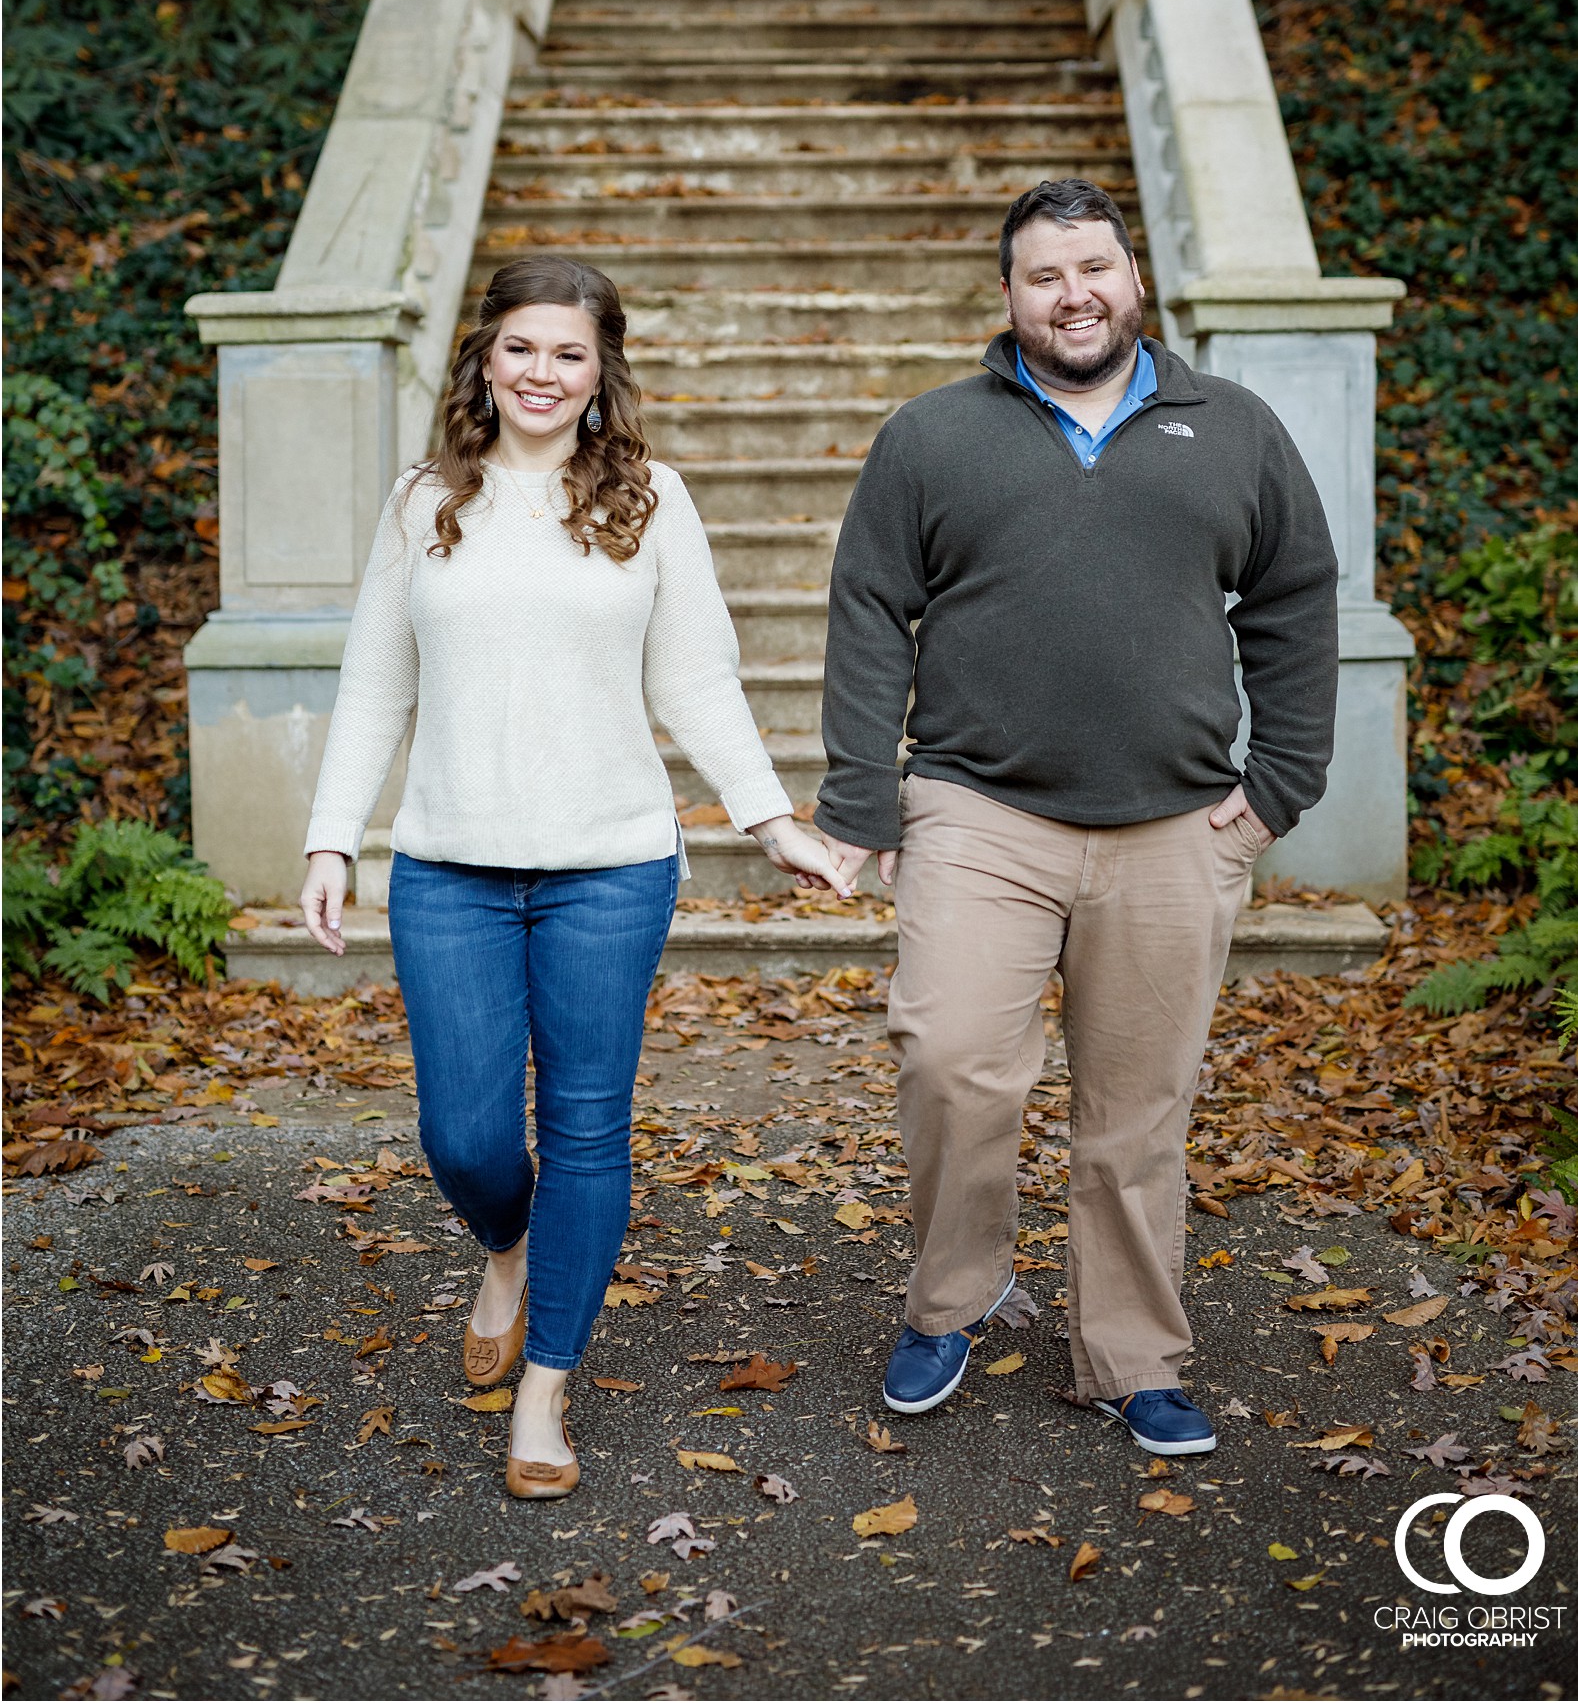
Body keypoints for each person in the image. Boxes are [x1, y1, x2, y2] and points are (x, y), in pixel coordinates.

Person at [299, 254, 848, 1498]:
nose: (542, 373)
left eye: (570, 354)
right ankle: (505, 1245)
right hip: (449, 865)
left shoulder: (652, 499)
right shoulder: (423, 501)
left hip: (610, 867)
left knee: (588, 1126)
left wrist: (770, 820)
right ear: (484, 360)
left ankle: (545, 1389)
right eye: (522, 348)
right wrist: (334, 834)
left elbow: (696, 680)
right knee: (467, 1134)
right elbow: (377, 683)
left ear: (602, 375)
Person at [814, 178, 1339, 1453]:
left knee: (1138, 1107)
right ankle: (952, 1295)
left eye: (1093, 267)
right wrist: (860, 789)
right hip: (979, 811)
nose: (1073, 294)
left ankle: (1131, 1352)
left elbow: (1295, 601)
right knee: (948, 1060)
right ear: (1007, 295)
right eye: (1044, 275)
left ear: (1134, 279)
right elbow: (870, 606)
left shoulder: (1234, 427)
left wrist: (1278, 788)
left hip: (1174, 828)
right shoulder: (932, 436)